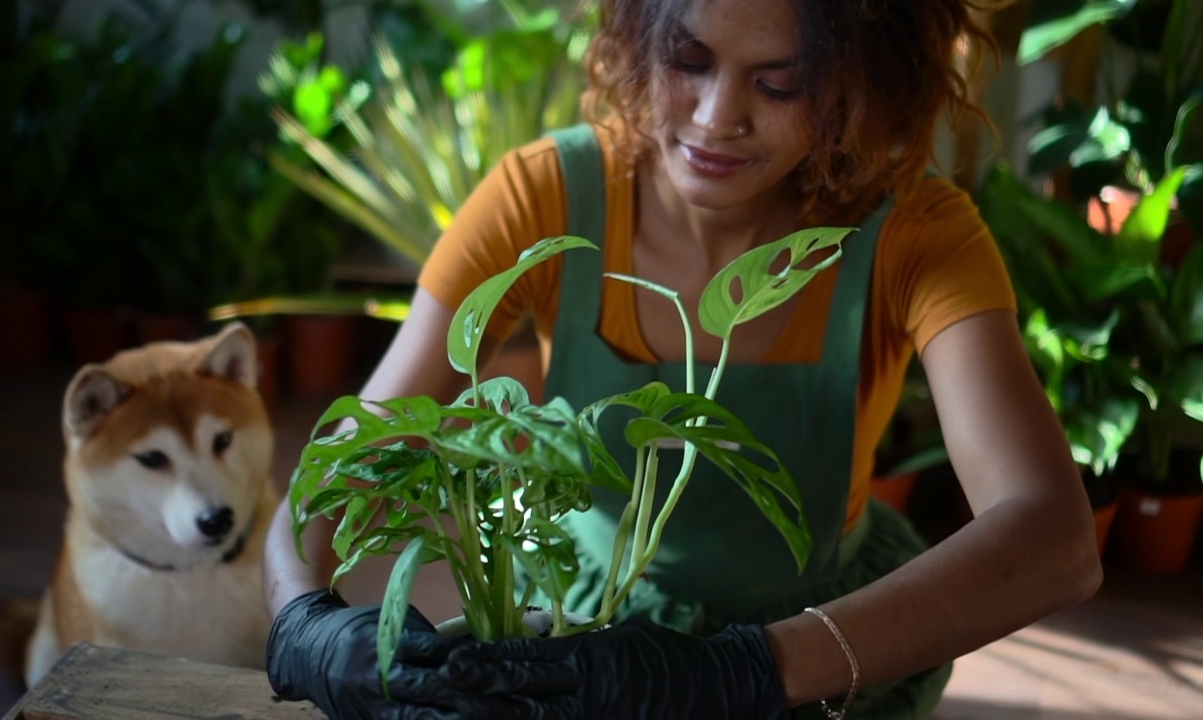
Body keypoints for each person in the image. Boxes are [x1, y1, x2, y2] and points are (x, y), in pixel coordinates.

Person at [263, 0, 1105, 717]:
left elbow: (1055, 537)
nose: (715, 118)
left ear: (862, 76)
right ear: (637, 37)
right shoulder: (546, 197)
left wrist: (744, 673)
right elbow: (351, 460)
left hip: (824, 644)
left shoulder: (916, 232)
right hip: (570, 637)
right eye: (687, 62)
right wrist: (303, 620)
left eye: (781, 83)